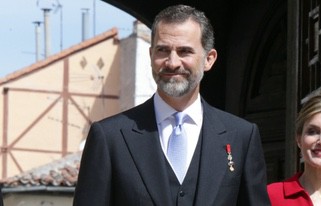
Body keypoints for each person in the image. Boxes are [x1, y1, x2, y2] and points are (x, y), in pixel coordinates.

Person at [73, 4, 270, 206]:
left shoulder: (241, 137)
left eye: (185, 51)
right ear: (151, 56)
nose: (172, 62)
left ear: (209, 59)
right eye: (163, 50)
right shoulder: (110, 137)